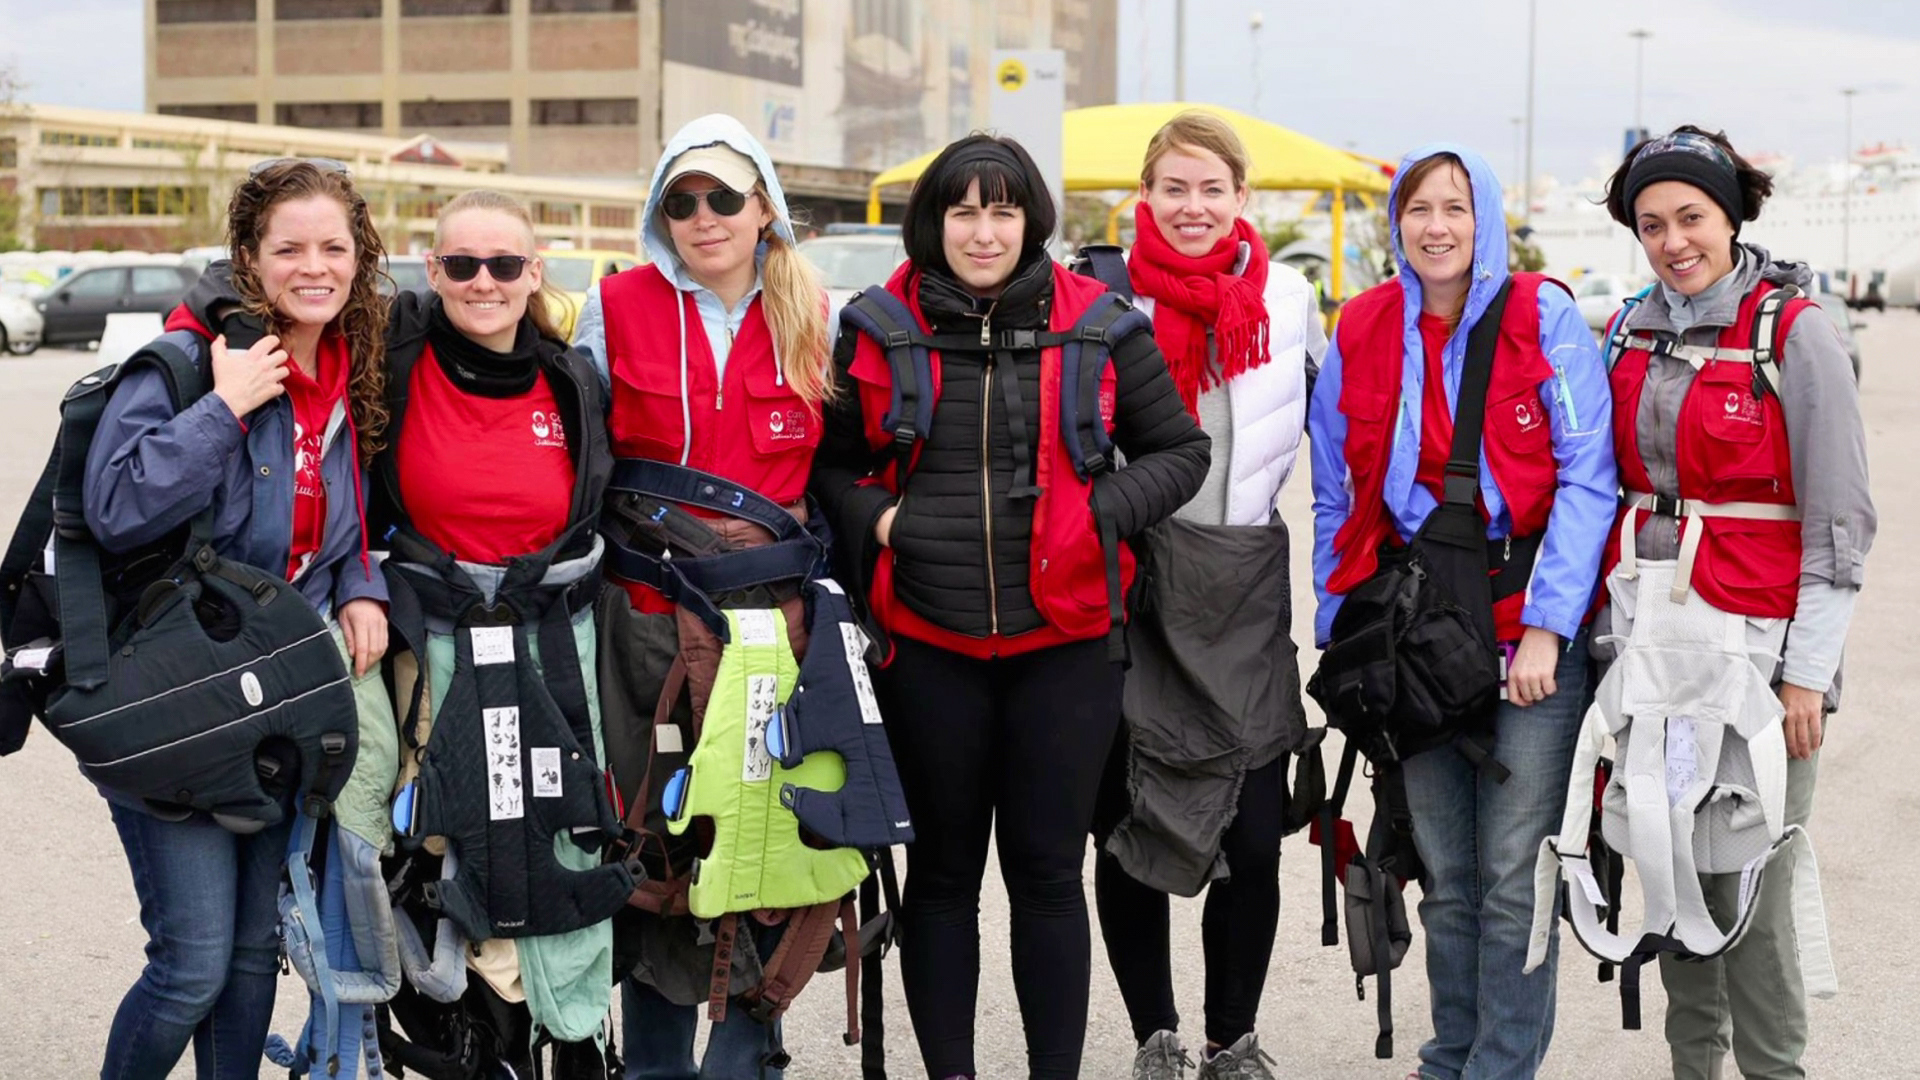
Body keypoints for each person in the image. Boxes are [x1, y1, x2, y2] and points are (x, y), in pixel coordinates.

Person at [813, 132, 1211, 1080]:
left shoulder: (1103, 325)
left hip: (1067, 647)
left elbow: (1180, 452)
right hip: (926, 644)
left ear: (1032, 220)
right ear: (934, 221)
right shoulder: (875, 326)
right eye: (963, 212)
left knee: (1047, 876)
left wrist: (1098, 513)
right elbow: (830, 462)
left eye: (1002, 210)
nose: (983, 232)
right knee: (943, 880)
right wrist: (881, 520)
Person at [1307, 144, 1616, 1080]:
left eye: (1455, 207)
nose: (1436, 226)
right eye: (1418, 208)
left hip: (1525, 627)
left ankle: (1500, 1066)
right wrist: (1340, 623)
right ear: (1395, 223)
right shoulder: (1363, 325)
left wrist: (1549, 630)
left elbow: (1588, 481)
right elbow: (1333, 486)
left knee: (1516, 875)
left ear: (1485, 218)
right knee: (1442, 870)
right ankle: (1450, 1057)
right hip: (1414, 638)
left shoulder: (1543, 317)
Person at [83, 158, 392, 1079]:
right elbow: (115, 505)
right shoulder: (193, 359)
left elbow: (331, 522)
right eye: (289, 248)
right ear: (249, 257)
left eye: (333, 247)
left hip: (278, 697)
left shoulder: (345, 364)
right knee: (191, 966)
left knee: (256, 955)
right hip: (176, 699)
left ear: (359, 257)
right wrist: (225, 407)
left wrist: (361, 581)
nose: (314, 267)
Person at [1597, 125, 1872, 1080]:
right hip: (1652, 649)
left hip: (1760, 655)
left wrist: (1808, 677)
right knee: (1669, 868)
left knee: (1751, 888)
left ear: (1731, 216)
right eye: (1652, 225)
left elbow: (1840, 523)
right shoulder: (1628, 329)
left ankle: (1774, 1070)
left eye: (1691, 217)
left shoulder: (1795, 334)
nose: (1673, 241)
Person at [572, 113, 842, 1080]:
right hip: (643, 628)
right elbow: (578, 462)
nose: (703, 217)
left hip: (775, 632)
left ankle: (744, 1053)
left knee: (766, 837)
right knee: (655, 839)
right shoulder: (613, 307)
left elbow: (845, 474)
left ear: (763, 205)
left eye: (724, 196)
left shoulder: (818, 313)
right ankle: (654, 1066)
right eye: (680, 202)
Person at [1085, 110, 1321, 1080]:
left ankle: (1233, 1039)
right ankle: (1157, 1036)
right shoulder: (1100, 299)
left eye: (1211, 189)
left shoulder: (1290, 298)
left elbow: (1336, 444)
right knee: (1129, 828)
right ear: (1144, 196)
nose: (1193, 206)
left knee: (1255, 838)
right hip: (1134, 587)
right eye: (1174, 188)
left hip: (1243, 588)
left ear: (1241, 198)